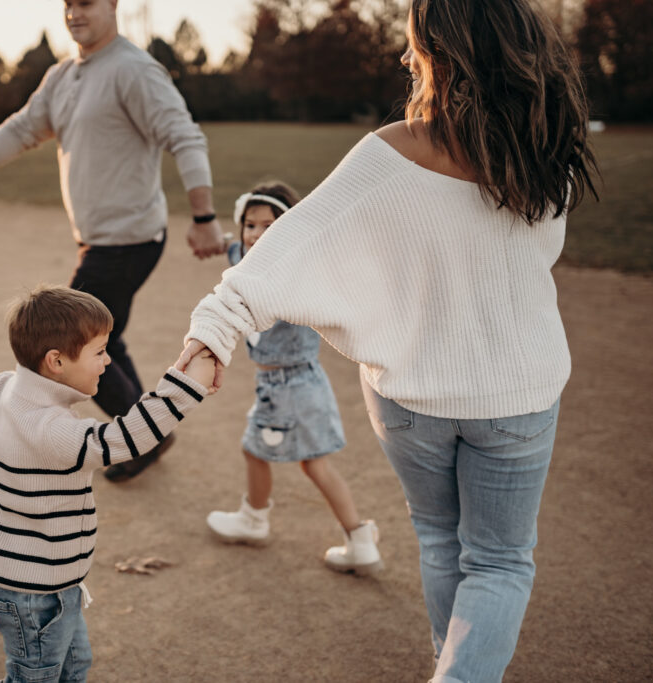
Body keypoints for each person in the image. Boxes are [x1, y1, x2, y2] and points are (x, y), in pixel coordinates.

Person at [179, 0, 598, 680]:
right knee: (496, 559)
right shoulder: (549, 152)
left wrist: (217, 324)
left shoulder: (393, 153)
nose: (407, 59)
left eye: (416, 46)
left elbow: (294, 242)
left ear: (451, 54)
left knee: (441, 542)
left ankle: (449, 663)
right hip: (516, 394)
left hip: (409, 396)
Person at [0, 0, 225, 482]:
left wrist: (204, 216)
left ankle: (142, 440)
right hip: (98, 240)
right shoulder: (63, 75)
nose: (73, 13)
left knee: (66, 337)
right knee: (106, 336)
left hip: (128, 238)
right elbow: (22, 129)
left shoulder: (135, 70)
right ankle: (151, 432)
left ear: (113, 6)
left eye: (86, 3)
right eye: (67, 4)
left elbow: (185, 137)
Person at [0, 285, 215, 682]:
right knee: (35, 676)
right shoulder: (52, 431)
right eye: (99, 352)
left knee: (73, 666)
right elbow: (126, 439)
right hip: (34, 592)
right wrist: (186, 388)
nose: (108, 361)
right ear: (56, 361)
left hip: (43, 581)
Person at [204, 182, 382, 575]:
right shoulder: (249, 256)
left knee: (263, 452)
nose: (256, 235)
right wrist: (220, 240)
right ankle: (360, 540)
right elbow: (237, 252)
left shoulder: (292, 276)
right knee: (314, 464)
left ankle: (255, 519)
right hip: (301, 383)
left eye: (269, 227)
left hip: (287, 386)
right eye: (251, 225)